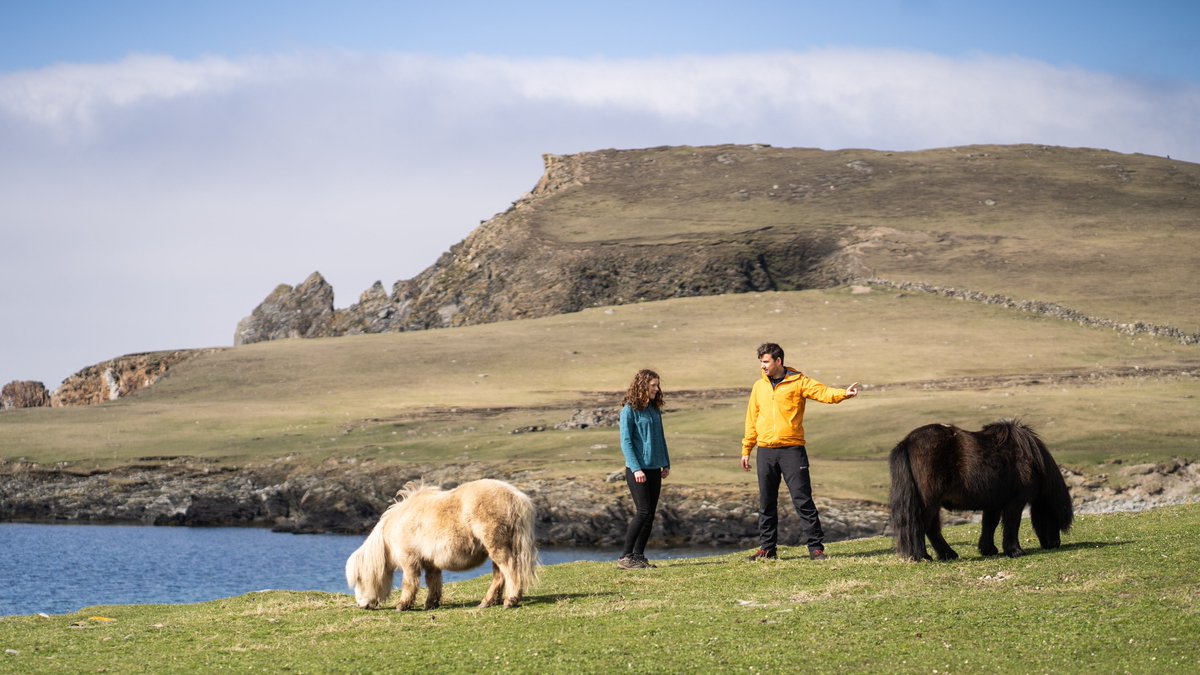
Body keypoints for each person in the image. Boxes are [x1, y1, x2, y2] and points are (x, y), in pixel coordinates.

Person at [741, 343, 858, 561]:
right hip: (766, 451)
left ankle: (816, 548)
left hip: (792, 450)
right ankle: (767, 549)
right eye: (761, 362)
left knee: (802, 500)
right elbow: (752, 419)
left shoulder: (798, 382)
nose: (763, 366)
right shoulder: (759, 387)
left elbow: (822, 392)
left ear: (778, 361)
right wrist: (747, 448)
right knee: (766, 502)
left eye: (766, 362)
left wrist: (844, 394)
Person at [616, 369, 671, 570]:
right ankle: (625, 556)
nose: (657, 389)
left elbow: (660, 438)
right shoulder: (629, 410)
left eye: (658, 385)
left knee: (650, 513)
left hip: (655, 468)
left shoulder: (654, 410)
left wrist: (666, 463)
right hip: (637, 470)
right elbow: (626, 442)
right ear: (642, 386)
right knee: (643, 511)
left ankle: (638, 556)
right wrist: (636, 468)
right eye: (653, 385)